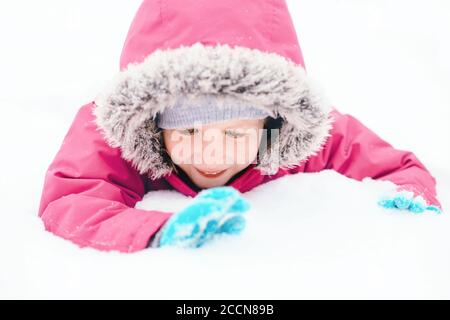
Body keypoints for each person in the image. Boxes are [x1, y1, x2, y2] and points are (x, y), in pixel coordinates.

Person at [38, 0, 443, 253]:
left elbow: (396, 168)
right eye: (189, 132)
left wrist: (409, 195)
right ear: (153, 123)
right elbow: (73, 199)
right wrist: (160, 230)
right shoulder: (122, 137)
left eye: (234, 133)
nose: (211, 153)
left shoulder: (296, 139)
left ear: (272, 121)